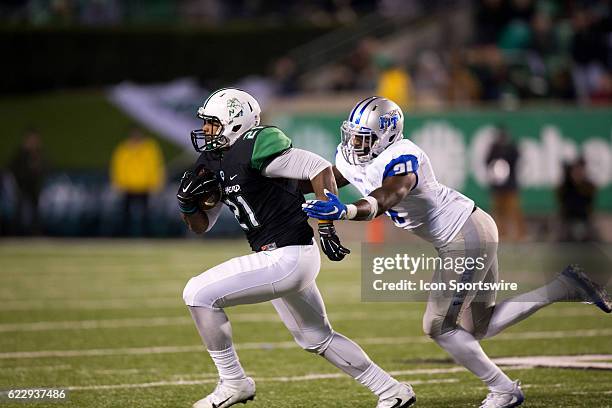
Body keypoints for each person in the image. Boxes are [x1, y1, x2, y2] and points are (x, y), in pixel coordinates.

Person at [302, 96, 612, 408]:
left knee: (438, 326)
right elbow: (326, 175)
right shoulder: (351, 154)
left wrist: (345, 211)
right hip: (466, 232)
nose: (354, 142)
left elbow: (388, 196)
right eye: (353, 134)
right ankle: (565, 287)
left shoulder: (404, 156)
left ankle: (504, 390)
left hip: (465, 234)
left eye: (363, 136)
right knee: (477, 327)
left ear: (387, 135)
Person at [178, 88, 415, 408]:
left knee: (197, 293)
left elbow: (319, 168)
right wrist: (188, 206)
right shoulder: (212, 160)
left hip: (287, 255)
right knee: (316, 337)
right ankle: (391, 390)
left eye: (212, 123)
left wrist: (328, 224)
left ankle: (234, 382)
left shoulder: (256, 143)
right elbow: (201, 226)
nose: (206, 131)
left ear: (234, 123)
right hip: (278, 256)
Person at [110, 126, 165, 236]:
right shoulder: (123, 149)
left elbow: (156, 166)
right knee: (125, 215)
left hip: (145, 186)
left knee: (147, 215)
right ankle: (124, 236)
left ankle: (147, 236)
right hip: (127, 186)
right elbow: (118, 167)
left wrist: (156, 183)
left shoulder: (150, 148)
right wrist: (118, 183)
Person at [485, 125, 525, 241]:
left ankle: (519, 235)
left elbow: (516, 161)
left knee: (514, 211)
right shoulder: (494, 149)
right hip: (497, 186)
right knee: (498, 212)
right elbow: (488, 162)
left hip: (510, 186)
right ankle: (501, 234)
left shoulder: (512, 148)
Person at [9, 129, 47, 235]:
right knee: (19, 209)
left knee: (36, 210)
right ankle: (14, 233)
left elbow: (46, 169)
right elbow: (13, 169)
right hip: (21, 187)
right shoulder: (20, 155)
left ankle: (36, 232)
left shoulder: (39, 155)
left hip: (34, 188)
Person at [557, 157, 597, 242]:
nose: (578, 174)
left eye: (580, 171)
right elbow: (562, 201)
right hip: (568, 221)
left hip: (584, 221)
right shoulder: (566, 187)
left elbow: (589, 203)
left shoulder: (588, 186)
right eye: (575, 171)